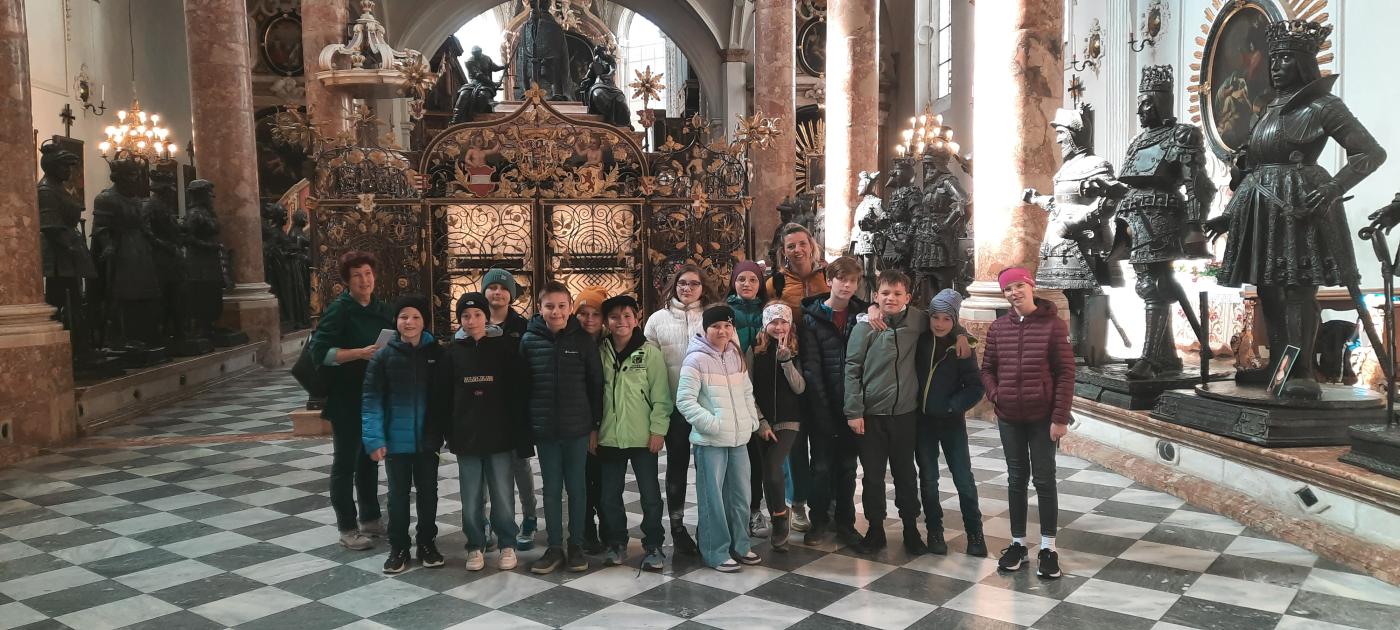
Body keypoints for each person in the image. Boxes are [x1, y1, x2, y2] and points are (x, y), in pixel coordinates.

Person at [980, 267, 1074, 579]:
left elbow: (1065, 373)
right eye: (1008, 289)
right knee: (1016, 479)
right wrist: (997, 395)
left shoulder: (1053, 325)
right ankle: (1018, 544)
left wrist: (1060, 417)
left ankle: (1048, 547)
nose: (1014, 293)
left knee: (1044, 480)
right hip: (1010, 417)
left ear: (1030, 286)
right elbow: (987, 368)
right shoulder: (998, 328)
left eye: (1019, 286)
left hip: (1042, 417)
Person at [437, 292, 531, 571]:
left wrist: (518, 431)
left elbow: (517, 392)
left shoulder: (504, 350)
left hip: (499, 436)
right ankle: (475, 544)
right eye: (466, 316)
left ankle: (507, 543)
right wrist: (448, 432)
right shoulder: (452, 353)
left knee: (502, 493)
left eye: (477, 315)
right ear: (460, 320)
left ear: (486, 318)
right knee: (471, 496)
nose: (472, 320)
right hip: (466, 437)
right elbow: (444, 396)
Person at [308, 251, 393, 550]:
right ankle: (347, 527)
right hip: (346, 397)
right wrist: (359, 353)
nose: (364, 280)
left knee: (369, 459)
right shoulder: (339, 310)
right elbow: (320, 352)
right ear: (347, 281)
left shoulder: (383, 309)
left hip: (374, 396)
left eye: (368, 274)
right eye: (357, 275)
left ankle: (370, 518)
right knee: (345, 464)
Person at [521, 282, 603, 574]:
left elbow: (595, 385)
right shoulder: (529, 340)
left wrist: (594, 426)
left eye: (561, 306)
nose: (555, 312)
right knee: (552, 489)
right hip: (545, 430)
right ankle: (554, 546)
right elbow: (522, 386)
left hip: (577, 429)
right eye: (549, 306)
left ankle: (576, 545)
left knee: (577, 489)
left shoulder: (583, 340)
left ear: (570, 309)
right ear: (540, 308)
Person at [844, 270, 929, 554]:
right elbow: (852, 369)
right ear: (875, 296)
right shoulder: (865, 327)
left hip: (904, 413)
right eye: (884, 293)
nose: (890, 298)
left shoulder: (917, 320)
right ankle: (875, 529)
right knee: (872, 475)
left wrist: (963, 336)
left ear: (908, 297)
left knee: (906, 473)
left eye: (897, 293)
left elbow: (946, 322)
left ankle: (910, 528)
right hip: (871, 415)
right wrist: (853, 411)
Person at [676, 305, 763, 571]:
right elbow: (685, 401)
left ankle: (741, 545)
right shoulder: (695, 359)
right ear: (705, 329)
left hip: (739, 438)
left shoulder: (736, 355)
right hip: (710, 440)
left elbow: (747, 392)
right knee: (712, 498)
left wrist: (751, 420)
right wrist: (713, 424)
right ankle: (715, 550)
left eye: (727, 326)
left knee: (741, 495)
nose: (722, 331)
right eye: (715, 326)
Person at [362, 295, 443, 574]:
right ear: (396, 321)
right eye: (404, 316)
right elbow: (371, 400)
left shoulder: (436, 353)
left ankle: (427, 543)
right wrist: (374, 439)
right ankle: (398, 547)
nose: (409, 322)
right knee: (397, 496)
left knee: (429, 494)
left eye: (416, 317)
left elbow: (445, 397)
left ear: (424, 322)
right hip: (395, 442)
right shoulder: (383, 356)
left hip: (427, 439)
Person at [594, 295, 671, 571]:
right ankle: (616, 542)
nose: (621, 322)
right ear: (607, 322)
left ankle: (654, 544)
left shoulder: (649, 353)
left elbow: (661, 396)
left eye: (627, 315)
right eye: (614, 317)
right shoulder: (600, 351)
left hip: (642, 437)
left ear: (637, 318)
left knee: (650, 495)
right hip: (609, 437)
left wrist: (658, 430)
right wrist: (593, 430)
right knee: (609, 496)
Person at [644, 264, 715, 555]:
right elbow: (648, 365)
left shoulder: (711, 316)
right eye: (682, 283)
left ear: (703, 288)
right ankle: (677, 527)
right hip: (674, 405)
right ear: (674, 286)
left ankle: (709, 527)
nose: (687, 288)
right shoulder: (657, 320)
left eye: (694, 284)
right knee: (676, 467)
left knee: (708, 469)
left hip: (707, 405)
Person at [798, 256, 869, 548]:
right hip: (822, 407)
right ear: (829, 280)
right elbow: (812, 370)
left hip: (853, 407)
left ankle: (845, 523)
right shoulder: (812, 319)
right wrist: (824, 412)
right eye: (842, 279)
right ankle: (818, 521)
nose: (847, 286)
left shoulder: (863, 315)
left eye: (853, 281)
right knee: (821, 467)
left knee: (848, 468)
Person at [914, 289, 987, 557]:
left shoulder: (962, 347)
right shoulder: (921, 340)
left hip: (951, 422)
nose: (939, 323)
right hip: (923, 422)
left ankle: (975, 532)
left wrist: (951, 406)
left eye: (947, 319)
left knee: (963, 478)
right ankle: (935, 530)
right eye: (935, 317)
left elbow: (975, 387)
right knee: (928, 479)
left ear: (954, 320)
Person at [478, 268, 538, 551]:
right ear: (485, 292)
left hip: (515, 407)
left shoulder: (522, 327)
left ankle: (529, 517)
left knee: (520, 465)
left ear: (511, 295)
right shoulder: (474, 321)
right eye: (492, 287)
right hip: (483, 409)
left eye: (503, 288)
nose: (498, 292)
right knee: (486, 468)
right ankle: (487, 522)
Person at [750, 302, 806, 551]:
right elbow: (747, 387)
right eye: (774, 322)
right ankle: (777, 517)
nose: (779, 327)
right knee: (767, 472)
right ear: (766, 324)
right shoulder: (754, 350)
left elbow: (799, 388)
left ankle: (781, 517)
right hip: (762, 421)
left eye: (784, 322)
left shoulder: (796, 349)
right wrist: (760, 421)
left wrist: (786, 362)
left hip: (788, 419)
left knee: (774, 466)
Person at [725, 260, 769, 536]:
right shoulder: (725, 312)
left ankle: (755, 510)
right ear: (734, 282)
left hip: (764, 393)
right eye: (741, 279)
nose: (747, 284)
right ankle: (733, 512)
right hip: (733, 393)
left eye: (753, 279)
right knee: (734, 459)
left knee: (758, 458)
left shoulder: (769, 310)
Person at [573, 285, 610, 554]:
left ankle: (608, 528)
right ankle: (586, 530)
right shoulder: (570, 341)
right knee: (583, 480)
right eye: (583, 313)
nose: (589, 319)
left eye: (595, 313)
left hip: (609, 422)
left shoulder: (611, 342)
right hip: (580, 424)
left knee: (606, 481)